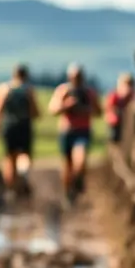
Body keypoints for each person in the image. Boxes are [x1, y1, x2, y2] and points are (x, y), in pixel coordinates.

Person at [48, 63, 101, 206]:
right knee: (67, 164)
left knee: (80, 158)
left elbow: (98, 111)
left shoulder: (89, 92)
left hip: (83, 131)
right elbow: (53, 110)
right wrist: (67, 105)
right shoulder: (63, 90)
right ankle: (67, 193)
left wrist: (85, 109)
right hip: (67, 131)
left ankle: (78, 180)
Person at [0, 64, 40, 200]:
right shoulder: (28, 90)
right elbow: (35, 111)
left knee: (9, 157)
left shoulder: (4, 89)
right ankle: (23, 175)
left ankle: (11, 188)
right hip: (24, 126)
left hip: (9, 125)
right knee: (24, 155)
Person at [106, 73, 135, 144]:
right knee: (114, 138)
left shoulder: (132, 96)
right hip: (116, 122)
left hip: (128, 122)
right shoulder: (114, 95)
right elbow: (110, 107)